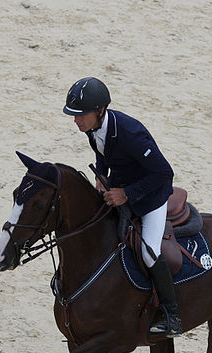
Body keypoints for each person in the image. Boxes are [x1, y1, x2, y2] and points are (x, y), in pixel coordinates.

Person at [63, 76, 182, 338]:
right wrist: (101, 178)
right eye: (74, 115)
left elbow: (164, 173)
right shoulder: (93, 129)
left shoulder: (131, 133)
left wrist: (126, 194)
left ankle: (172, 315)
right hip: (121, 188)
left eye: (80, 115)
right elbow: (101, 154)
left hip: (151, 197)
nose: (75, 120)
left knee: (149, 252)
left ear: (100, 111)